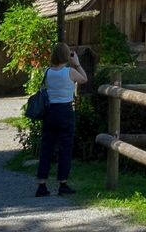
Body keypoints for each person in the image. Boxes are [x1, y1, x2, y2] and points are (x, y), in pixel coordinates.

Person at [35, 43, 87, 197]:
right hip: (65, 111)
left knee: (46, 148)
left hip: (50, 112)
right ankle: (62, 183)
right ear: (66, 56)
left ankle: (41, 185)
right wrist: (77, 63)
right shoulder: (70, 72)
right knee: (65, 147)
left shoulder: (47, 72)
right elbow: (84, 79)